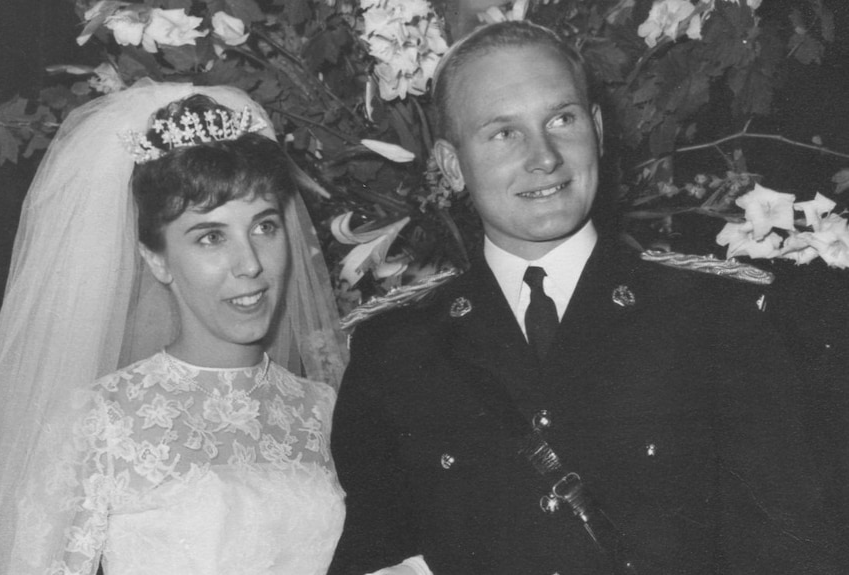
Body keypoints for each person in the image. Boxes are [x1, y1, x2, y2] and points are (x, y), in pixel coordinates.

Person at [328, 21, 845, 575]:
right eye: (504, 133)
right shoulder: (398, 350)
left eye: (561, 119)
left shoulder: (716, 319)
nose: (544, 157)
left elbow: (795, 546)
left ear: (597, 128)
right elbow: (372, 553)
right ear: (453, 166)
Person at [0, 82, 348, 574]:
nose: (249, 265)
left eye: (264, 226)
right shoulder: (99, 421)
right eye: (211, 237)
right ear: (156, 260)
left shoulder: (325, 410)